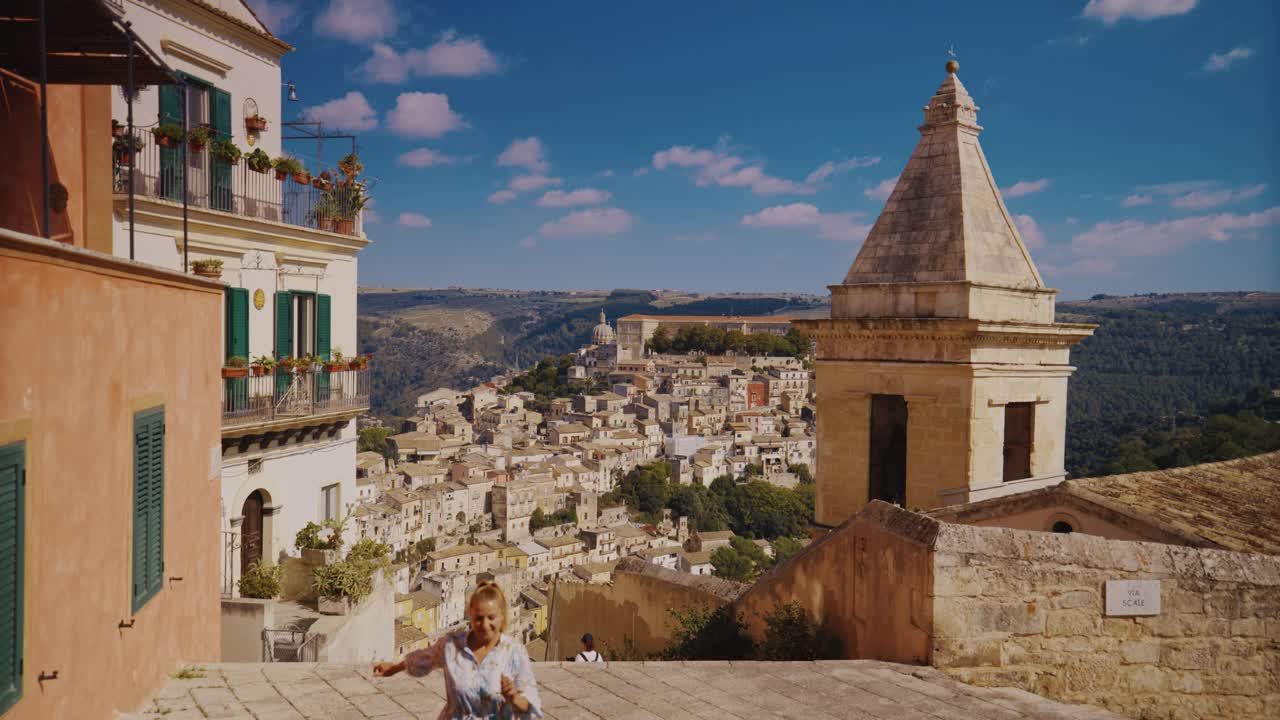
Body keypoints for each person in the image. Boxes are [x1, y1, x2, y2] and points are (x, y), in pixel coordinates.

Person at [374, 580, 542, 719]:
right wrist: (395, 667)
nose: (484, 625)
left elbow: (530, 704)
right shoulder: (452, 646)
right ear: (470, 614)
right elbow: (424, 659)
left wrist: (514, 697)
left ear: (502, 616)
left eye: (491, 617)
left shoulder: (513, 652)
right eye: (478, 618)